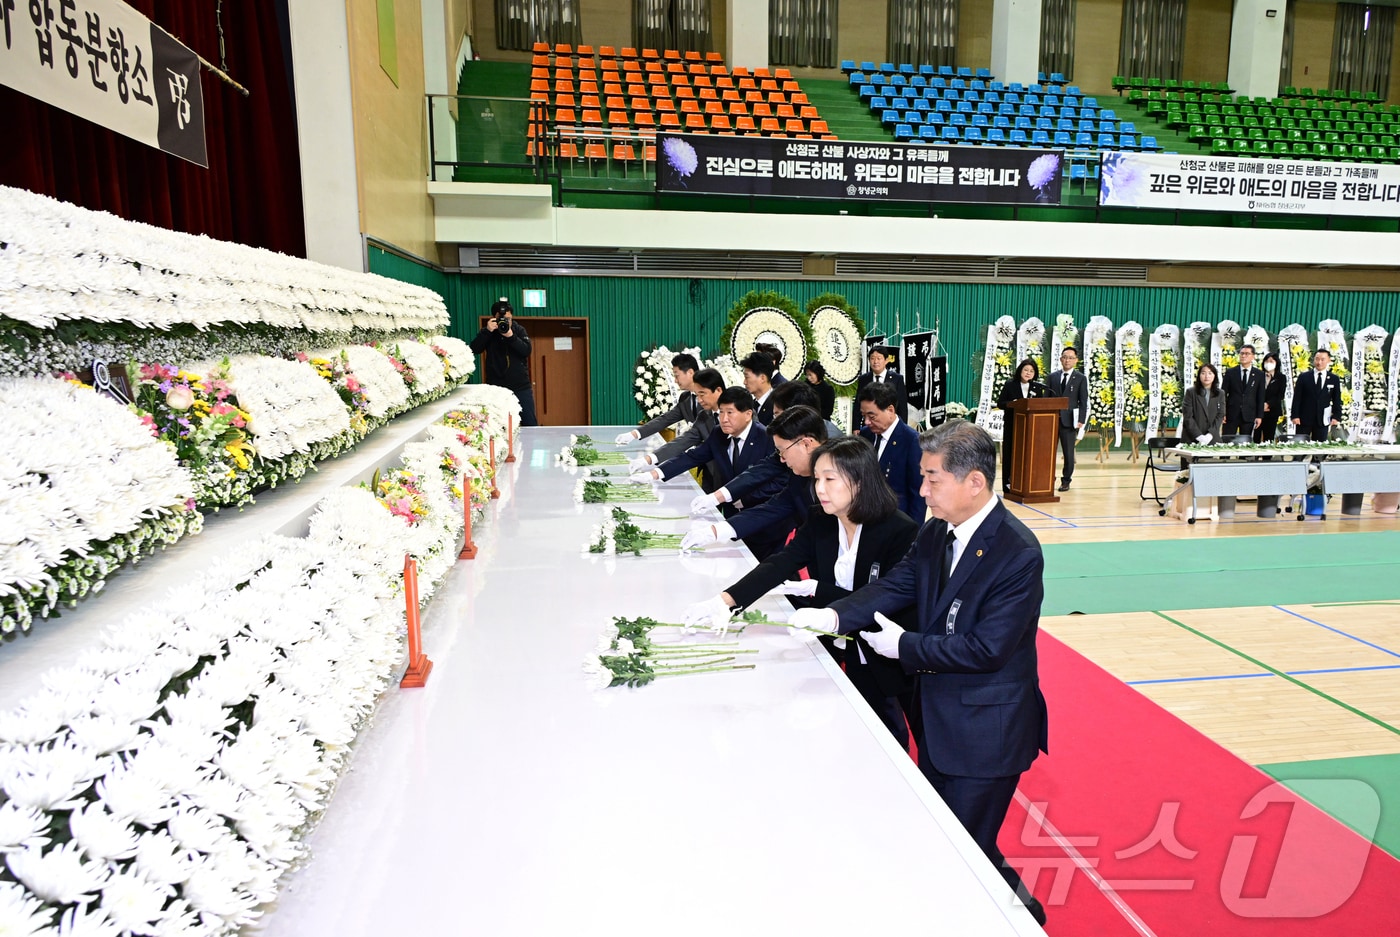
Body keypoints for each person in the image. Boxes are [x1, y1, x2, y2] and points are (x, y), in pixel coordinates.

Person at [789, 421, 1049, 927]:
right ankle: (1022, 915)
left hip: (985, 732)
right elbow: (897, 585)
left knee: (962, 848)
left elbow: (988, 648)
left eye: (932, 479)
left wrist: (905, 646)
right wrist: (837, 616)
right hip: (937, 718)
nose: (922, 490)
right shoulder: (936, 530)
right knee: (953, 840)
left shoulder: (1017, 552)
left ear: (974, 482)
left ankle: (1018, 918)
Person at [685, 434, 920, 745]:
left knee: (885, 730)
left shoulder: (899, 531)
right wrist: (725, 601)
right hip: (832, 644)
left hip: (877, 653)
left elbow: (881, 603)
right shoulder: (822, 520)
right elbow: (781, 562)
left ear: (860, 481)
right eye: (817, 478)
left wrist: (820, 592)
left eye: (830, 479)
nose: (819, 488)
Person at [680, 406, 828, 560]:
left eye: (782, 450)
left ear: (806, 444)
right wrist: (714, 531)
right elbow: (770, 509)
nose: (782, 459)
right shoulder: (799, 478)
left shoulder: (841, 474)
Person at [633, 388, 775, 507]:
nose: (724, 419)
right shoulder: (718, 433)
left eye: (730, 412)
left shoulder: (766, 438)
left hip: (761, 511)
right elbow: (692, 457)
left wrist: (747, 499)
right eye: (721, 412)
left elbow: (778, 481)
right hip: (730, 511)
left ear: (748, 414)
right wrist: (653, 474)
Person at [630, 368, 726, 491]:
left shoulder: (738, 412)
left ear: (718, 390)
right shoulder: (704, 416)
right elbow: (683, 442)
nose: (699, 400)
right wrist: (648, 462)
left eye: (702, 395)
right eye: (697, 395)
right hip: (711, 476)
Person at [857, 382, 924, 518]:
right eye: (864, 416)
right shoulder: (865, 434)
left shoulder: (912, 441)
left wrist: (914, 528)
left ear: (890, 410)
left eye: (872, 416)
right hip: (865, 515)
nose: (867, 422)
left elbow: (917, 494)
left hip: (895, 519)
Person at [469, 298, 537, 425]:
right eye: (502, 319)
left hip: (521, 387)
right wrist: (487, 332)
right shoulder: (489, 332)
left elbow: (526, 350)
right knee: (497, 425)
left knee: (530, 423)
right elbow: (474, 349)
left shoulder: (518, 330)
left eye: (509, 319)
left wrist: (511, 337)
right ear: (494, 318)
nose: (506, 322)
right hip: (496, 388)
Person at [615, 353, 701, 445]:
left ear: (690, 373)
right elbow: (665, 419)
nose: (675, 381)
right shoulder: (685, 398)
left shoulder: (710, 394)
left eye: (677, 375)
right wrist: (633, 434)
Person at [996, 357, 1049, 493]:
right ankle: (1008, 484)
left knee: (1027, 455)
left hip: (1030, 428)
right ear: (1020, 371)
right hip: (1013, 426)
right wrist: (1013, 403)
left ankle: (1026, 484)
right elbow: (1000, 403)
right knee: (1010, 455)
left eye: (1031, 371)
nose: (1028, 373)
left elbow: (1039, 405)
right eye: (1026, 370)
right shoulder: (1010, 385)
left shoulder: (1037, 388)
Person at [1046, 347, 1088, 492]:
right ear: (1060, 359)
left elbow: (1083, 401)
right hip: (1052, 420)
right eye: (1065, 357)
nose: (1067, 360)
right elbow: (1046, 399)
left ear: (1076, 360)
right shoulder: (1052, 377)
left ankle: (1066, 481)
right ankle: (1048, 477)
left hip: (1069, 421)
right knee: (1048, 451)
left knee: (1068, 453)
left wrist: (1081, 419)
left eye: (1070, 357)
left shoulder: (1081, 378)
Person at [1291, 349, 1343, 442]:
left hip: (1322, 420)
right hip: (1303, 419)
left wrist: (1336, 416)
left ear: (1328, 360)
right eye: (1317, 359)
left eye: (1323, 359)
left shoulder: (1334, 379)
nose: (1319, 362)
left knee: (1320, 447)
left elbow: (1336, 400)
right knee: (1300, 446)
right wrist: (1295, 416)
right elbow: (1297, 398)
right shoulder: (1304, 377)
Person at [853, 347, 908, 427]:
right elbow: (858, 404)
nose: (875, 362)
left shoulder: (897, 379)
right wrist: (856, 427)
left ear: (886, 360)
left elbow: (902, 406)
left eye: (879, 358)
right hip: (869, 424)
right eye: (872, 358)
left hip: (890, 424)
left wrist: (902, 426)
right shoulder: (864, 379)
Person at [1221, 344, 1265, 438]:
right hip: (1231, 413)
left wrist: (1259, 416)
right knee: (1227, 440)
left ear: (1253, 356)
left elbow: (1260, 397)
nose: (1243, 356)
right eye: (1241, 353)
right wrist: (1222, 413)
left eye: (1247, 354)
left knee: (1245, 441)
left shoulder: (1259, 374)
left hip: (1249, 414)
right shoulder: (1230, 372)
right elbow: (1223, 394)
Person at [1181, 363, 1225, 445]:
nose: (1206, 376)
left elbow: (1220, 415)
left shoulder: (1220, 393)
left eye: (1210, 373)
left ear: (1214, 376)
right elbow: (1188, 416)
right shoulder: (1191, 392)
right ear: (1199, 376)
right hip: (1192, 438)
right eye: (1203, 373)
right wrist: (1199, 436)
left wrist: (1210, 434)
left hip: (1212, 438)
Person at [740, 352, 778, 426]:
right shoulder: (750, 405)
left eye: (747, 377)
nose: (744, 382)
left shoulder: (777, 404)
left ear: (762, 378)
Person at [1257, 352, 1287, 443]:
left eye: (1271, 361)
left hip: (1272, 411)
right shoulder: (1258, 375)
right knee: (1256, 436)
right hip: (1257, 411)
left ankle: (1267, 452)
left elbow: (1280, 395)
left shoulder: (1281, 377)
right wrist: (1260, 405)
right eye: (1266, 361)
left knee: (1269, 437)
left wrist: (1268, 404)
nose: (1268, 363)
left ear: (1276, 363)